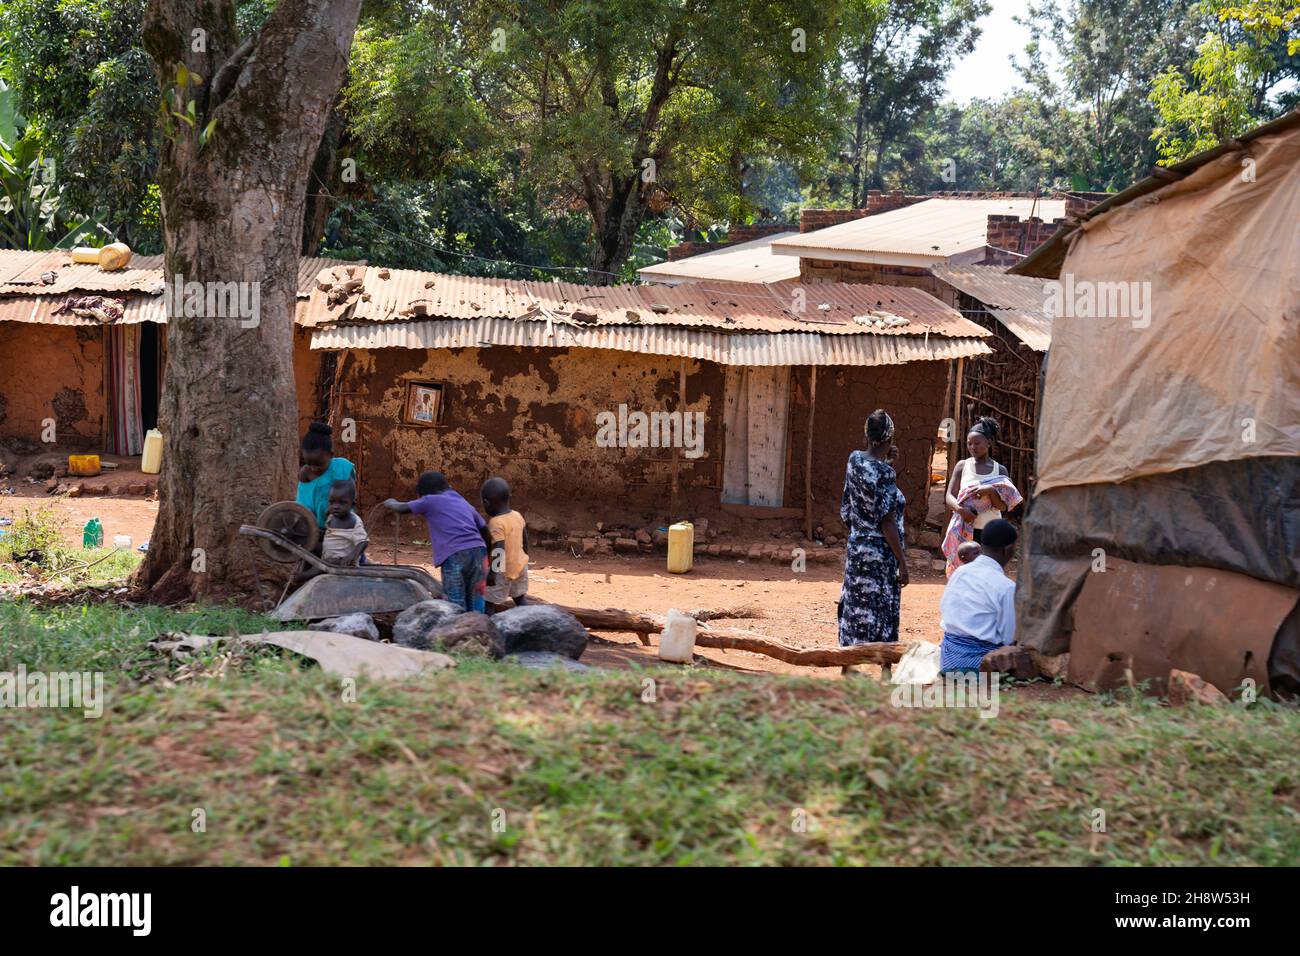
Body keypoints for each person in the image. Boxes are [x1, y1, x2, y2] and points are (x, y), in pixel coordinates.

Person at [838, 409, 908, 649]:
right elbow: (887, 522)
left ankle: (847, 663)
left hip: (857, 546)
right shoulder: (885, 474)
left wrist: (887, 462)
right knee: (882, 608)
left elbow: (859, 496)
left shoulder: (854, 459)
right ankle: (885, 666)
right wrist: (902, 561)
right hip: (880, 554)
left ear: (866, 435)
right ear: (889, 439)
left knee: (855, 605)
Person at [383, 471, 492, 612]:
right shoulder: (461, 500)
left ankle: (457, 630)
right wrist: (488, 556)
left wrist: (391, 502)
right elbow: (484, 529)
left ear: (423, 494)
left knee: (455, 602)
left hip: (454, 554)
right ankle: (479, 628)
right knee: (476, 598)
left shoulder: (430, 500)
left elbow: (401, 508)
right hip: (478, 551)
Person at [941, 417, 1022, 577]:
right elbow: (949, 496)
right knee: (966, 573)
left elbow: (1004, 507)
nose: (973, 447)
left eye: (977, 443)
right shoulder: (963, 466)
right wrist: (960, 510)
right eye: (969, 443)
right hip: (966, 530)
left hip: (991, 532)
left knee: (988, 573)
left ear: (989, 443)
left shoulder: (1000, 471)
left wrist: (990, 491)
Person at [938, 518, 1018, 673]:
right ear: (1007, 550)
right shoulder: (1006, 587)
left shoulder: (960, 572)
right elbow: (1009, 639)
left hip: (948, 659)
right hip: (980, 664)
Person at [481, 477, 530, 610]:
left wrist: (493, 573)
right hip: (521, 566)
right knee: (519, 598)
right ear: (509, 498)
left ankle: (489, 628)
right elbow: (525, 539)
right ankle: (529, 618)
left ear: (486, 503)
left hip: (502, 570)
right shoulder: (517, 515)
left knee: (488, 602)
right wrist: (524, 555)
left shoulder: (496, 523)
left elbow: (499, 548)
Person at [296, 421, 356, 528]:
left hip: (341, 524)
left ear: (331, 455)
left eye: (319, 465)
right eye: (309, 464)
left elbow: (350, 494)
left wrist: (334, 506)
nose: (313, 468)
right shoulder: (305, 474)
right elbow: (303, 503)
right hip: (315, 527)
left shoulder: (342, 468)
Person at [320, 480, 368, 566]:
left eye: (341, 503)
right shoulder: (331, 517)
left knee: (325, 563)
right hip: (328, 557)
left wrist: (352, 556)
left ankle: (304, 575)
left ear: (352, 505)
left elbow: (363, 542)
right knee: (310, 547)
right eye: (332, 502)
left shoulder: (353, 521)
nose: (335, 507)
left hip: (343, 562)